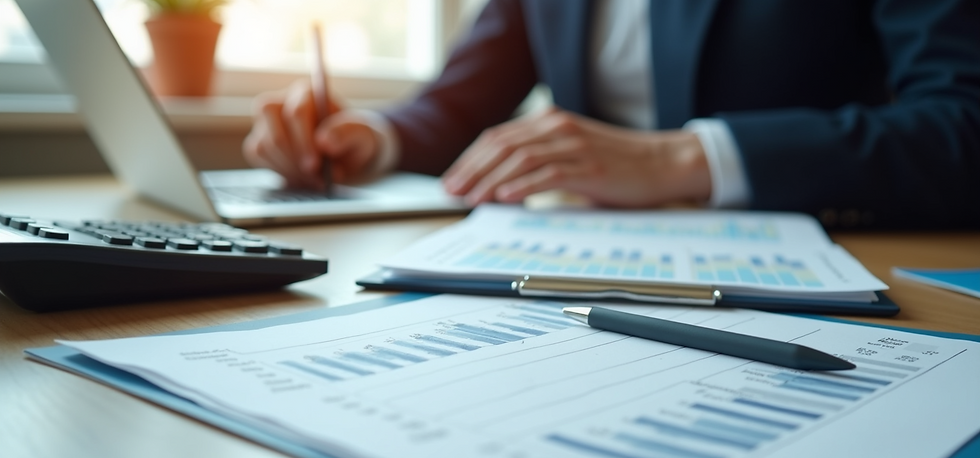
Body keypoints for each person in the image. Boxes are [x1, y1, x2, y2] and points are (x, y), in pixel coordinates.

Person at [244, 0, 980, 229]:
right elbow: (461, 103)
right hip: (586, 268)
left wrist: (679, 159)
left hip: (828, 256)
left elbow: (962, 121)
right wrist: (370, 138)